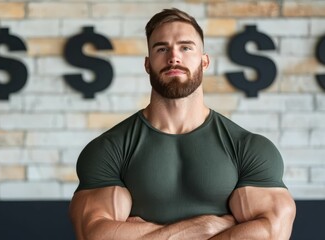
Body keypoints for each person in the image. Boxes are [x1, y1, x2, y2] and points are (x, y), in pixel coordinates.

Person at [69, 8, 296, 240]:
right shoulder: (108, 150)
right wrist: (204, 227)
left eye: (186, 47)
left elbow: (271, 233)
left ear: (204, 62)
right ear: (147, 64)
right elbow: (94, 235)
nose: (173, 57)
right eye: (162, 48)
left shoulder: (248, 148)